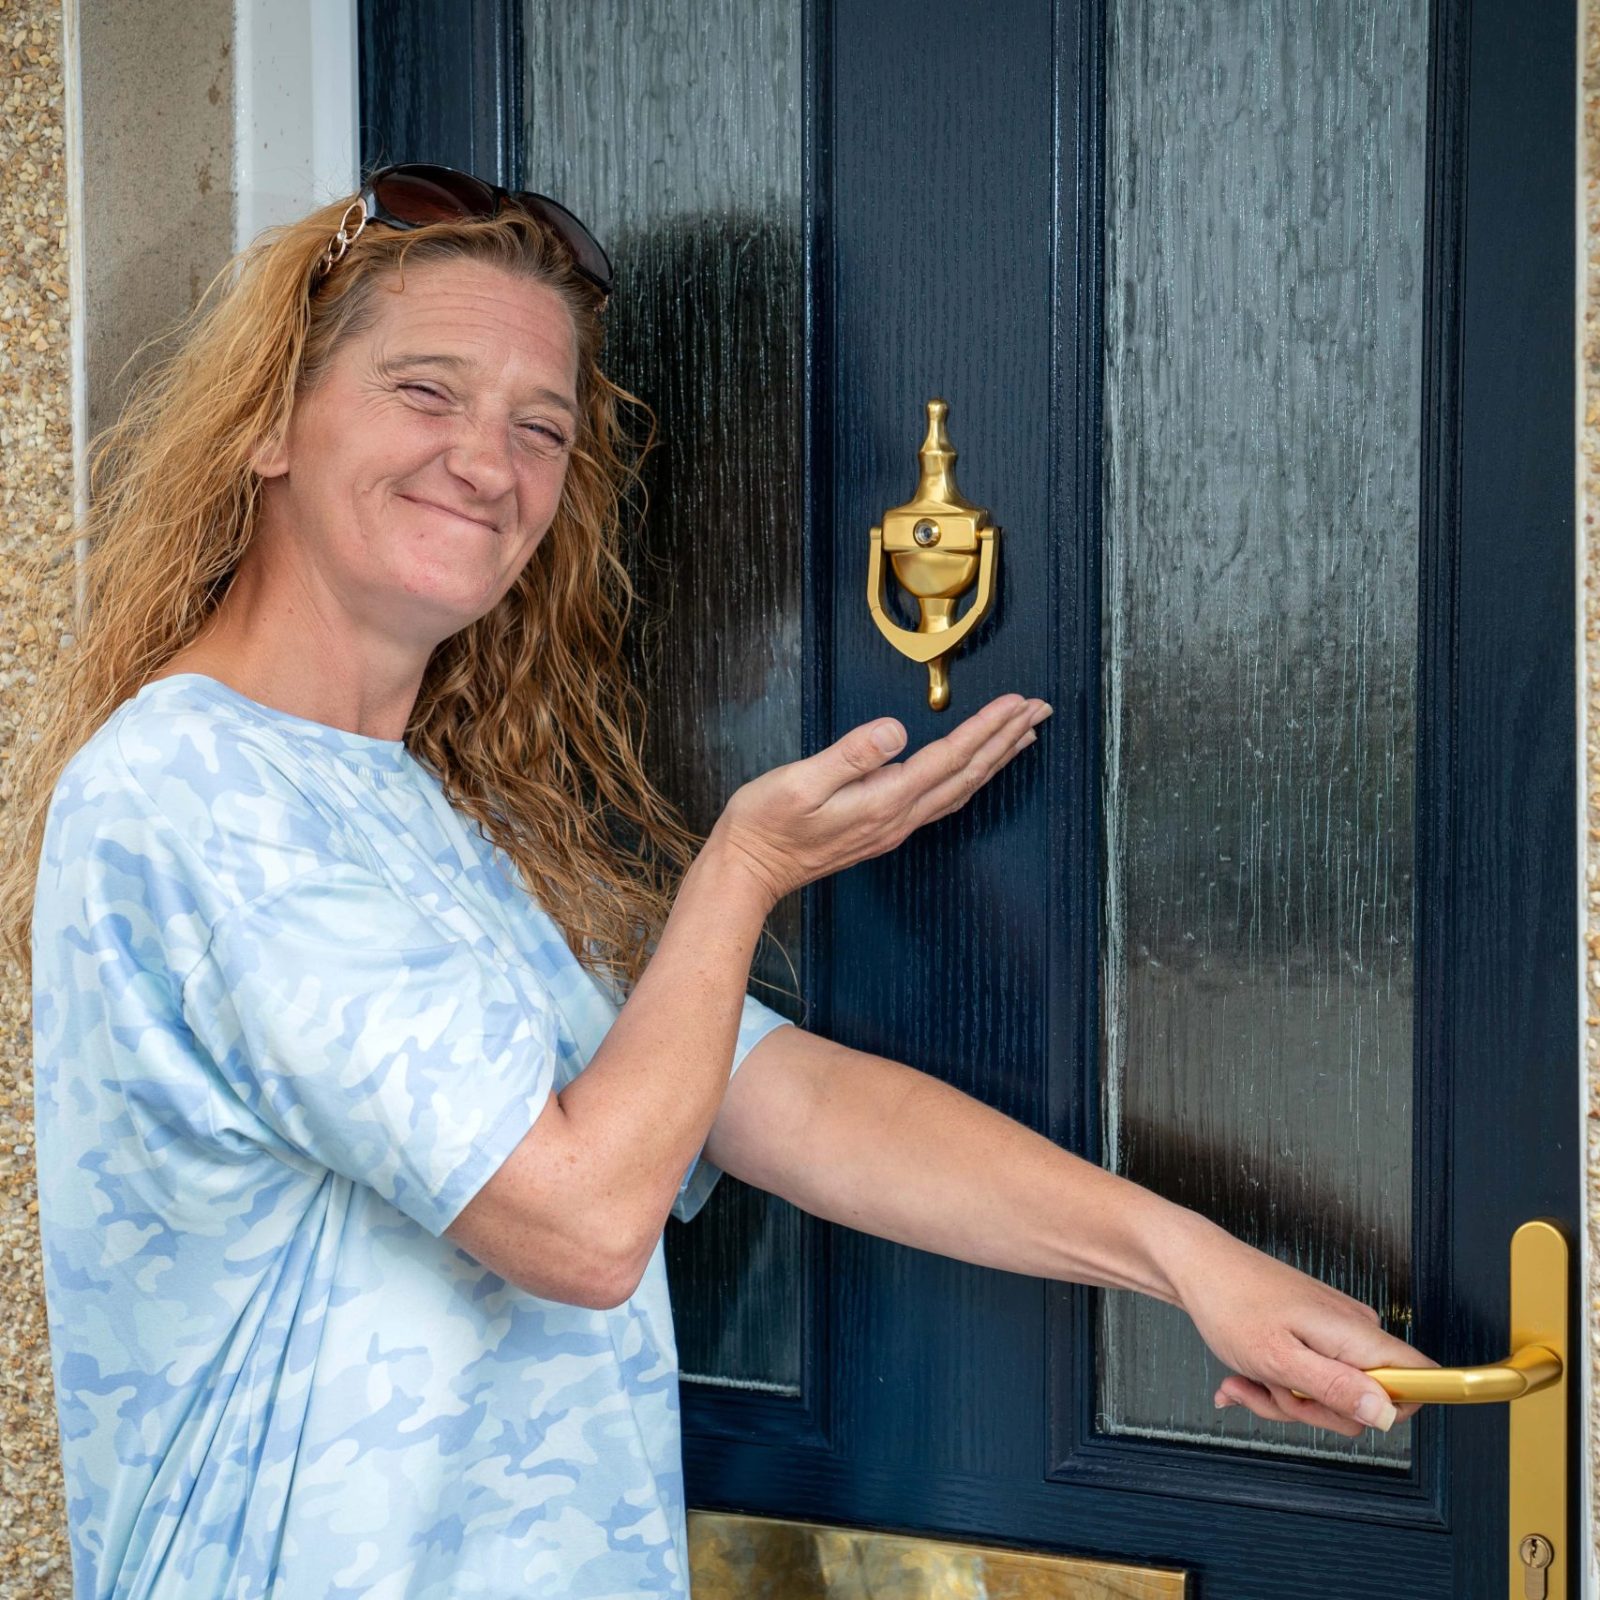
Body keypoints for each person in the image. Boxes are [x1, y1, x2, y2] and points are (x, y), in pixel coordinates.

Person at [2, 164, 1433, 1600]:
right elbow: (575, 1220)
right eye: (424, 393)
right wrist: (742, 870)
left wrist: (1192, 1264)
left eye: (538, 425)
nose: (488, 463)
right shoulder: (191, 793)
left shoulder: (430, 804)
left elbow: (772, 1095)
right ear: (270, 425)